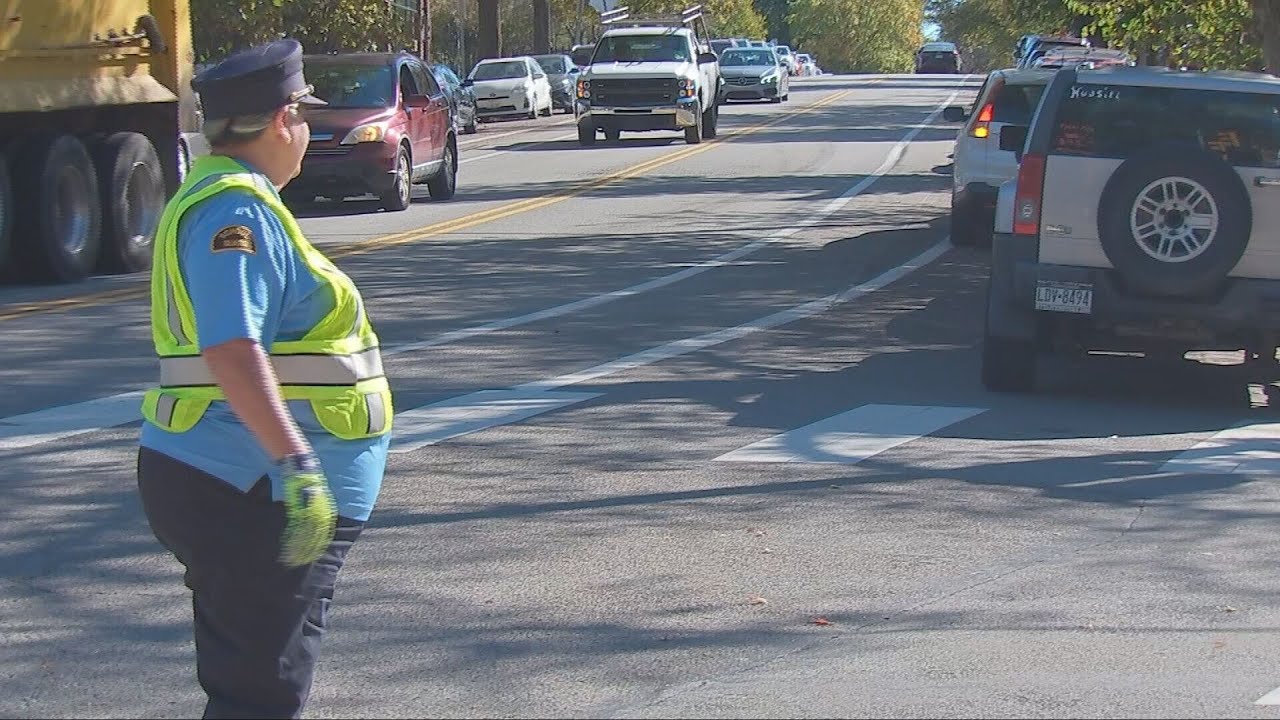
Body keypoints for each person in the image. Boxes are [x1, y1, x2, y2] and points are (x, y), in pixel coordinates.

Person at [136, 38, 393, 719]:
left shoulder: (235, 199)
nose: (305, 130)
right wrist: (296, 461)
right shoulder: (237, 212)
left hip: (238, 484)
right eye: (303, 115)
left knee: (258, 682)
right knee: (259, 696)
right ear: (283, 120)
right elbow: (229, 347)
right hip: (253, 490)